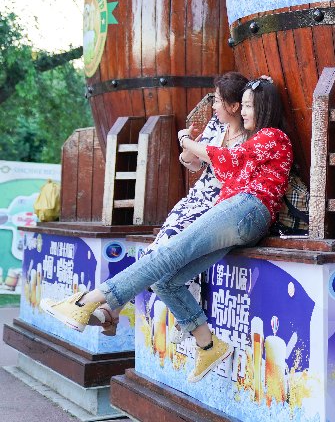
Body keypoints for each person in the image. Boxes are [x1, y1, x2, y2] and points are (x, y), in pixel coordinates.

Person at [42, 77, 293, 383]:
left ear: (265, 108)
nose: (244, 112)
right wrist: (194, 149)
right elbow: (221, 166)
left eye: (250, 107)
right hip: (236, 213)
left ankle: (87, 301)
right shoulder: (255, 139)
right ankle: (208, 345)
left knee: (167, 253)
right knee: (166, 280)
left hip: (247, 208)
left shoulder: (272, 136)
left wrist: (187, 142)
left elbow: (230, 160)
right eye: (244, 106)